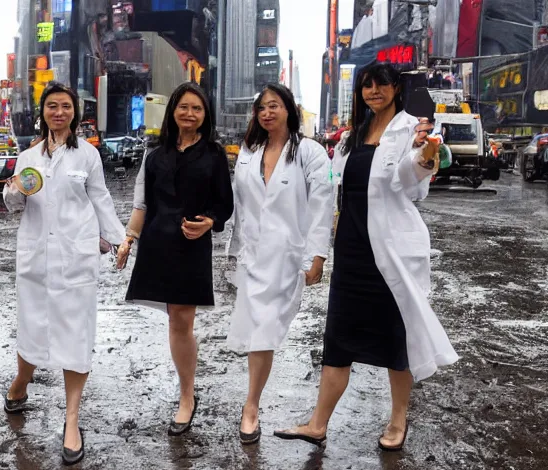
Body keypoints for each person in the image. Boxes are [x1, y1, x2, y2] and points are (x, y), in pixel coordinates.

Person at [275, 63, 459, 450]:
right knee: (338, 339)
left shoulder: (412, 128)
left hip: (390, 252)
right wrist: (319, 254)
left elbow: (413, 177)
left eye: (381, 84)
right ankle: (318, 423)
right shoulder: (348, 139)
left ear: (396, 88)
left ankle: (398, 420)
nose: (373, 91)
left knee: (396, 338)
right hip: (352, 252)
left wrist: (428, 156)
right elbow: (330, 191)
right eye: (366, 85)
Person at [2, 83, 125, 465]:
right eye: (52, 106)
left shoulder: (87, 155)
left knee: (76, 335)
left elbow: (100, 198)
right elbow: (13, 204)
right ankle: (21, 382)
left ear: (75, 112)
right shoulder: (27, 156)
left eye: (65, 106)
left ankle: (71, 419)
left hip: (76, 258)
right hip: (37, 257)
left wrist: (119, 240)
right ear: (43, 113)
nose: (59, 112)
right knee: (32, 329)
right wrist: (14, 189)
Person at [115, 82, 234, 436]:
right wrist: (128, 239)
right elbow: (143, 204)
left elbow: (225, 205)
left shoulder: (214, 155)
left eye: (197, 109)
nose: (189, 114)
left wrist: (210, 222)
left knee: (182, 321)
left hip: (191, 246)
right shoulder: (155, 155)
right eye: (183, 107)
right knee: (173, 321)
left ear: (205, 115)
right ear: (173, 112)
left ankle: (187, 395)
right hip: (157, 244)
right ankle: (185, 390)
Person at [224, 84, 333, 445]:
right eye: (261, 108)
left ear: (288, 109)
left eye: (274, 106)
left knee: (265, 331)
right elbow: (239, 204)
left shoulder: (311, 153)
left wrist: (317, 255)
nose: (267, 113)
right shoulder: (249, 152)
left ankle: (251, 405)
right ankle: (251, 404)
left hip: (287, 259)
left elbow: (322, 205)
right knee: (255, 331)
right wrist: (232, 247)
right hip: (252, 256)